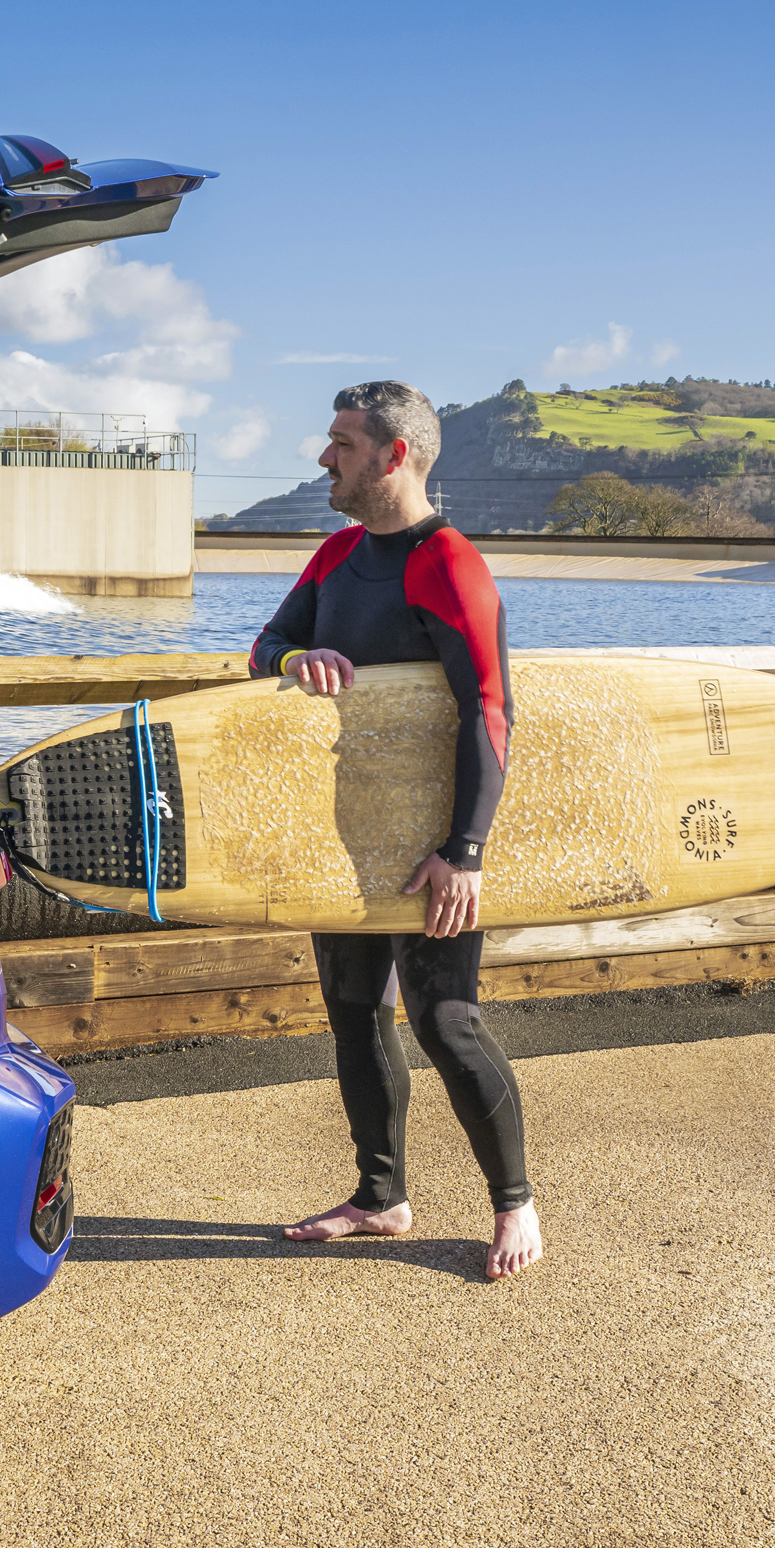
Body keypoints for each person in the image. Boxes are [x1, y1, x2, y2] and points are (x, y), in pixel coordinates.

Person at [250, 381, 542, 1281]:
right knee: (351, 1014)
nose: (323, 457)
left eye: (340, 442)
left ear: (393, 455)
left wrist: (464, 852)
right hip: (345, 832)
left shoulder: (449, 562)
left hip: (431, 847)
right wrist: (304, 659)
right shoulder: (335, 555)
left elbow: (488, 711)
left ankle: (515, 1203)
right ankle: (379, 1198)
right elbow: (262, 648)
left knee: (446, 1020)